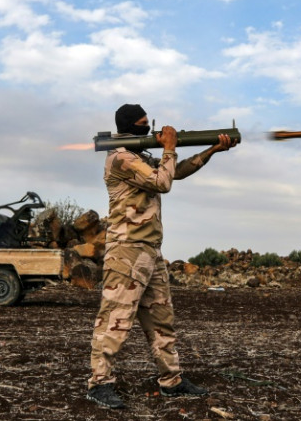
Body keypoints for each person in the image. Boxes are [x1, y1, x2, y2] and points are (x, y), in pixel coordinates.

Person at [87, 103, 236, 409]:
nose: (149, 127)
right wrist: (169, 147)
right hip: (126, 252)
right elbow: (162, 182)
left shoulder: (139, 156)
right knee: (115, 320)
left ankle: (172, 381)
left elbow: (175, 172)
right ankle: (99, 384)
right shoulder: (121, 158)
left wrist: (211, 151)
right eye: (144, 123)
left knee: (161, 320)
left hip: (150, 253)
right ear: (131, 127)